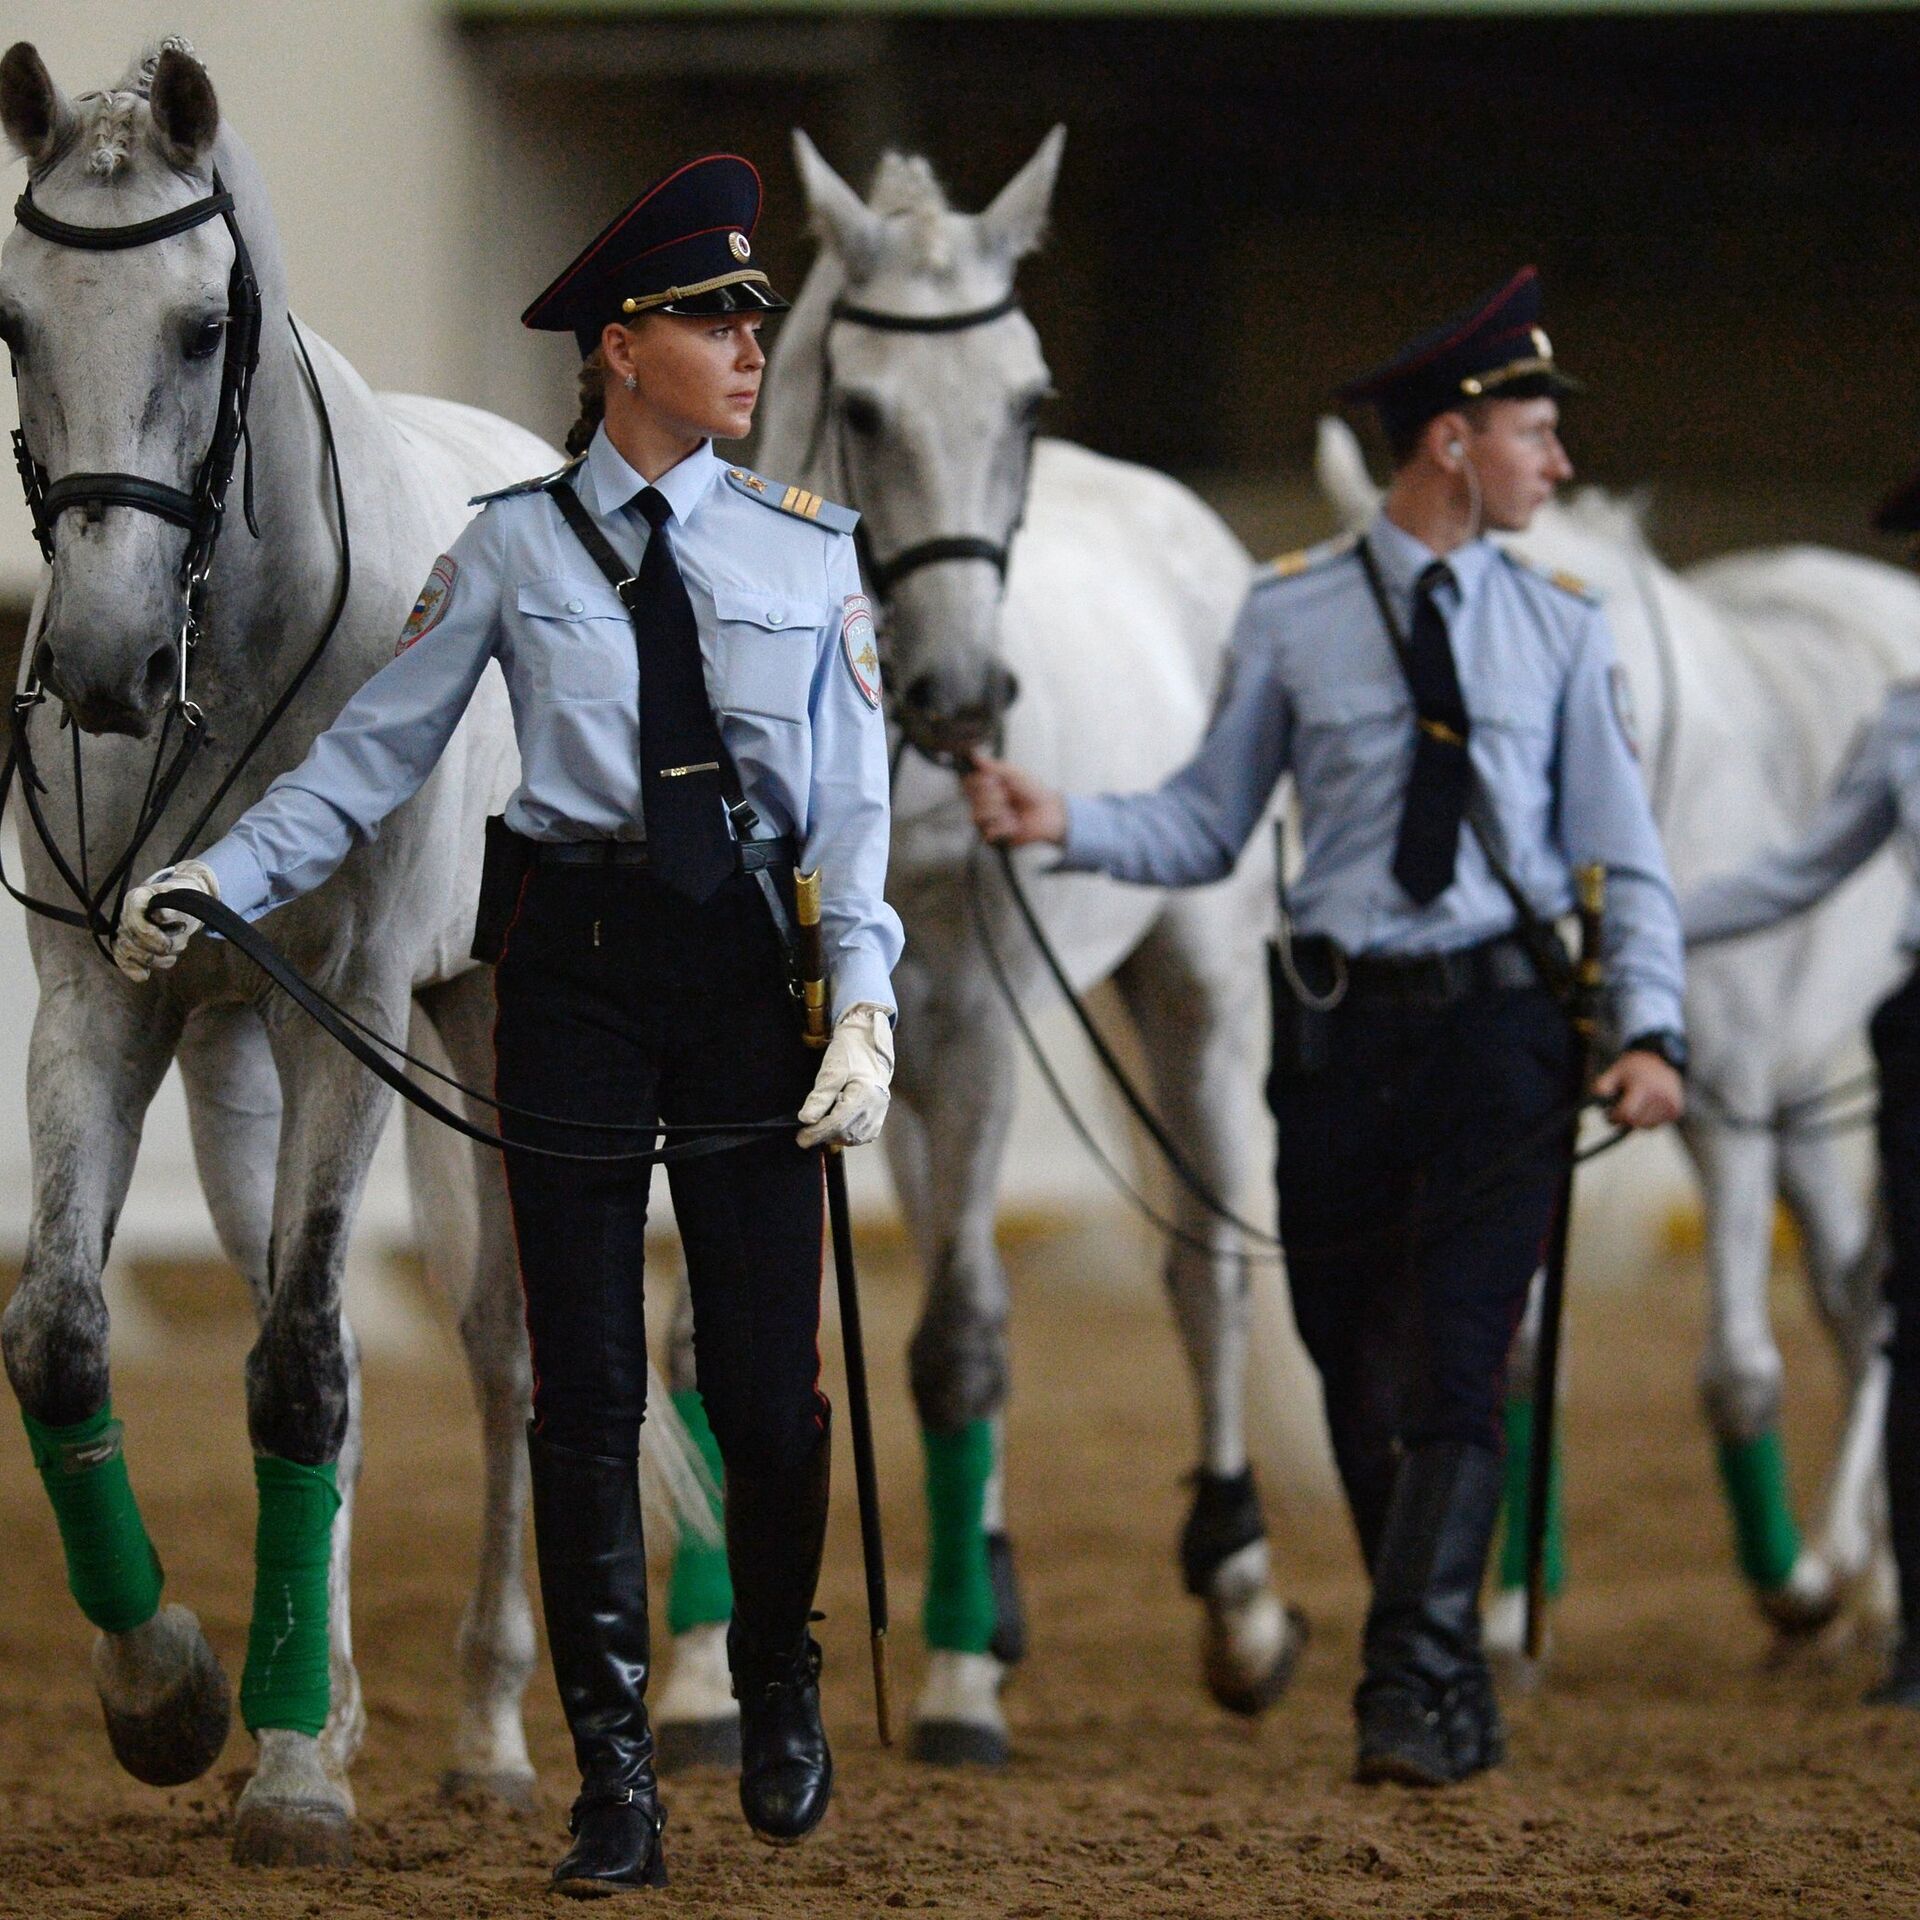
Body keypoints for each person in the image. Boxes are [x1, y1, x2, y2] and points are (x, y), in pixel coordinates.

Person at [112, 154, 901, 1891]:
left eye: (753, 313)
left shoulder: (807, 552)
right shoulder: (508, 555)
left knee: (770, 1398)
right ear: (622, 348)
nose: (750, 340)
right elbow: (372, 760)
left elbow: (853, 814)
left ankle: (778, 1671)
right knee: (583, 1387)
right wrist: (220, 873)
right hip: (577, 974)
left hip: (754, 984)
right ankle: (610, 1762)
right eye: (713, 315)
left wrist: (865, 1003)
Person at [965, 268, 1686, 1787]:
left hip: (1502, 1035)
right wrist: (1066, 817)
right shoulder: (1290, 616)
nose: (1555, 467)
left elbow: (1625, 854)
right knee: (1349, 1362)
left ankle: (1407, 1681)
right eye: (1535, 436)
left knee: (1456, 1362)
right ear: (1450, 443)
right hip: (1343, 1046)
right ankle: (1440, 1675)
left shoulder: (1562, 629)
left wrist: (1649, 1031)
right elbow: (1206, 821)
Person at [1681, 461, 1920, 1708]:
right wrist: (1652, 919)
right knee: (1904, 1312)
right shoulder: (1902, 723)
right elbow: (1800, 874)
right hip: (1917, 1030)